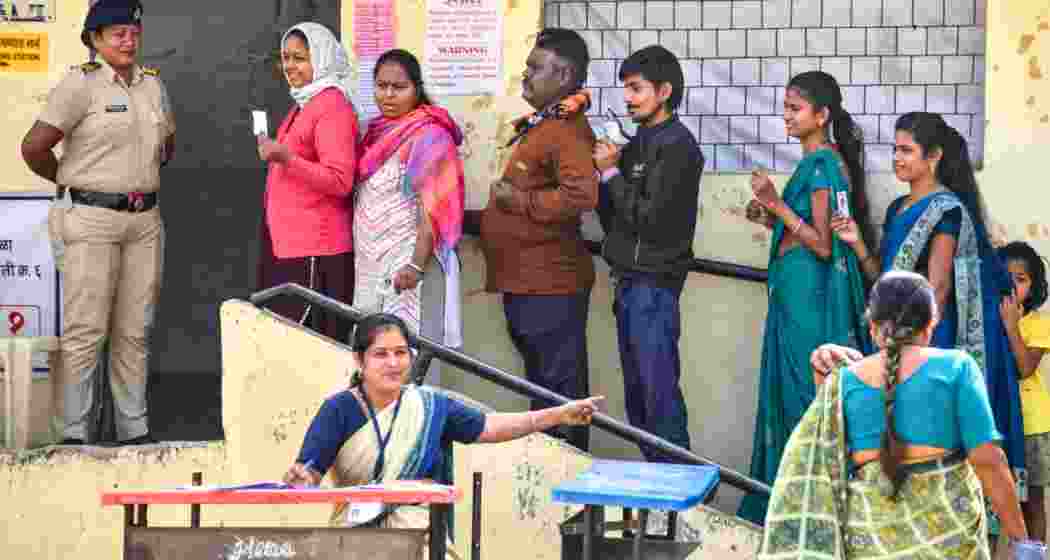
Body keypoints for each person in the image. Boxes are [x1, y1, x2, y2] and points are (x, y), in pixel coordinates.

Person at [761, 271, 1027, 558]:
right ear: (930, 324)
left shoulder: (844, 383)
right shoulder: (956, 368)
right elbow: (988, 460)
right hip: (948, 543)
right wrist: (1022, 541)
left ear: (873, 328)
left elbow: (828, 454)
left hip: (871, 544)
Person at [831, 111, 1026, 490]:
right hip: (895, 335)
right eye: (895, 149)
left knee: (933, 440)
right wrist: (857, 242)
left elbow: (937, 290)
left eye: (907, 150)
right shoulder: (897, 209)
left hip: (931, 337)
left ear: (933, 156)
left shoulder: (946, 210)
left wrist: (900, 340)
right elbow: (883, 282)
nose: (898, 158)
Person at [283, 313, 603, 539]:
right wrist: (301, 478)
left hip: (421, 539)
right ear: (359, 360)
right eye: (381, 354)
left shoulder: (431, 406)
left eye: (400, 353)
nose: (393, 363)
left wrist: (556, 415)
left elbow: (488, 427)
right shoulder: (338, 409)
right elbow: (309, 471)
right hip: (353, 542)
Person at [20, 0, 174, 445]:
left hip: (143, 219)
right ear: (95, 39)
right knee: (86, 329)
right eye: (117, 34)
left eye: (133, 32)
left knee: (135, 330)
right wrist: (70, 183)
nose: (128, 41)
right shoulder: (79, 85)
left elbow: (168, 144)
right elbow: (33, 147)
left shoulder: (152, 87)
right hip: (89, 217)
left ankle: (133, 429)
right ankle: (74, 433)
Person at [737, 71, 872, 523]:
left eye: (796, 108)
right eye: (786, 106)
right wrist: (770, 218)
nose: (787, 115)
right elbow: (803, 234)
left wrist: (776, 205)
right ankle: (788, 507)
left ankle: (805, 511)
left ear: (822, 115)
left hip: (810, 304)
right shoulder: (815, 163)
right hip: (794, 298)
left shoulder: (823, 165)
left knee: (803, 397)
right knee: (788, 393)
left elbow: (821, 244)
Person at [479, 29, 597, 451]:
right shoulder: (542, 125)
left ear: (564, 74)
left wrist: (520, 199)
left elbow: (583, 195)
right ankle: (551, 495)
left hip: (550, 288)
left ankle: (569, 500)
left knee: (560, 401)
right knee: (546, 400)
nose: (525, 76)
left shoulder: (564, 129)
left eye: (534, 68)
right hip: (528, 286)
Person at [591, 45, 702, 462]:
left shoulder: (678, 147)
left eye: (637, 89)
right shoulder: (639, 142)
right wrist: (604, 172)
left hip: (654, 284)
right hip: (629, 281)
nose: (628, 98)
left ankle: (683, 490)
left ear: (665, 91)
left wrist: (613, 173)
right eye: (626, 89)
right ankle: (662, 489)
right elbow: (615, 219)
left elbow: (651, 220)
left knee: (658, 396)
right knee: (638, 401)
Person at [353, 49, 465, 382]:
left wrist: (416, 264)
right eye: (381, 85)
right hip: (371, 263)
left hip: (407, 268)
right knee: (373, 360)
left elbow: (433, 208)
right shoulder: (374, 132)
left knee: (406, 361)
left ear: (416, 88)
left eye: (398, 87)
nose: (387, 95)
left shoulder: (430, 136)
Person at [256, 22, 358, 342]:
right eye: (285, 58)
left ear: (321, 57)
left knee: (314, 347)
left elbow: (340, 180)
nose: (289, 66)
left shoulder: (332, 107)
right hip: (292, 247)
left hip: (316, 251)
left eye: (299, 58)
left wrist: (285, 157)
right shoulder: (306, 104)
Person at [1000, 241, 1050, 542]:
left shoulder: (1038, 323)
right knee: (1005, 499)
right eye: (1006, 278)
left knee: (1033, 502)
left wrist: (1012, 327)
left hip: (1032, 426)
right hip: (1002, 422)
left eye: (1021, 279)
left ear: (1034, 286)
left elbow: (1025, 369)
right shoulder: (989, 320)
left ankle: (1034, 554)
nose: (1013, 286)